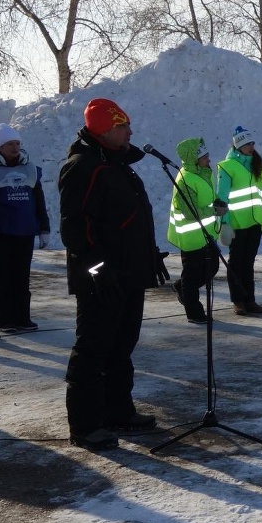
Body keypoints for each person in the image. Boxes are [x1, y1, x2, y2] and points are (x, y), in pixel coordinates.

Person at [58, 98, 167, 451]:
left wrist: (150, 256)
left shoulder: (118, 165)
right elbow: (77, 229)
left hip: (129, 274)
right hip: (101, 280)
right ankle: (86, 425)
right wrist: (97, 269)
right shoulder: (83, 167)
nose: (131, 132)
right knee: (93, 350)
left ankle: (118, 411)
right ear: (106, 129)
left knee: (121, 347)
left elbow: (130, 221)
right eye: (124, 127)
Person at [0, 123, 51, 333]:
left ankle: (22, 317)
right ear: (0, 147)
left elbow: (39, 200)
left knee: (22, 277)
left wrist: (44, 228)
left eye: (17, 143)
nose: (15, 148)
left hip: (24, 231)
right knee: (2, 278)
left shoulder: (30, 169)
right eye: (10, 144)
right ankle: (4, 320)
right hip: (0, 232)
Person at [217, 126, 262, 316]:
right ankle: (238, 300)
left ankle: (250, 299)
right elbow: (222, 197)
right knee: (236, 263)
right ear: (238, 147)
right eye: (246, 144)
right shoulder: (226, 167)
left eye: (252, 143)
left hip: (255, 223)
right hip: (236, 224)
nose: (251, 147)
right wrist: (224, 224)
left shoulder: (257, 164)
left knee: (248, 263)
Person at [166, 137, 221, 324]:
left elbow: (207, 197)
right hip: (191, 236)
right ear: (194, 159)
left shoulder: (203, 172)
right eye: (205, 156)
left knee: (212, 268)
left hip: (206, 233)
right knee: (192, 275)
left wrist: (217, 202)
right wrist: (214, 210)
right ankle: (194, 312)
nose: (209, 159)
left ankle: (182, 288)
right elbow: (190, 212)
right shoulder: (185, 180)